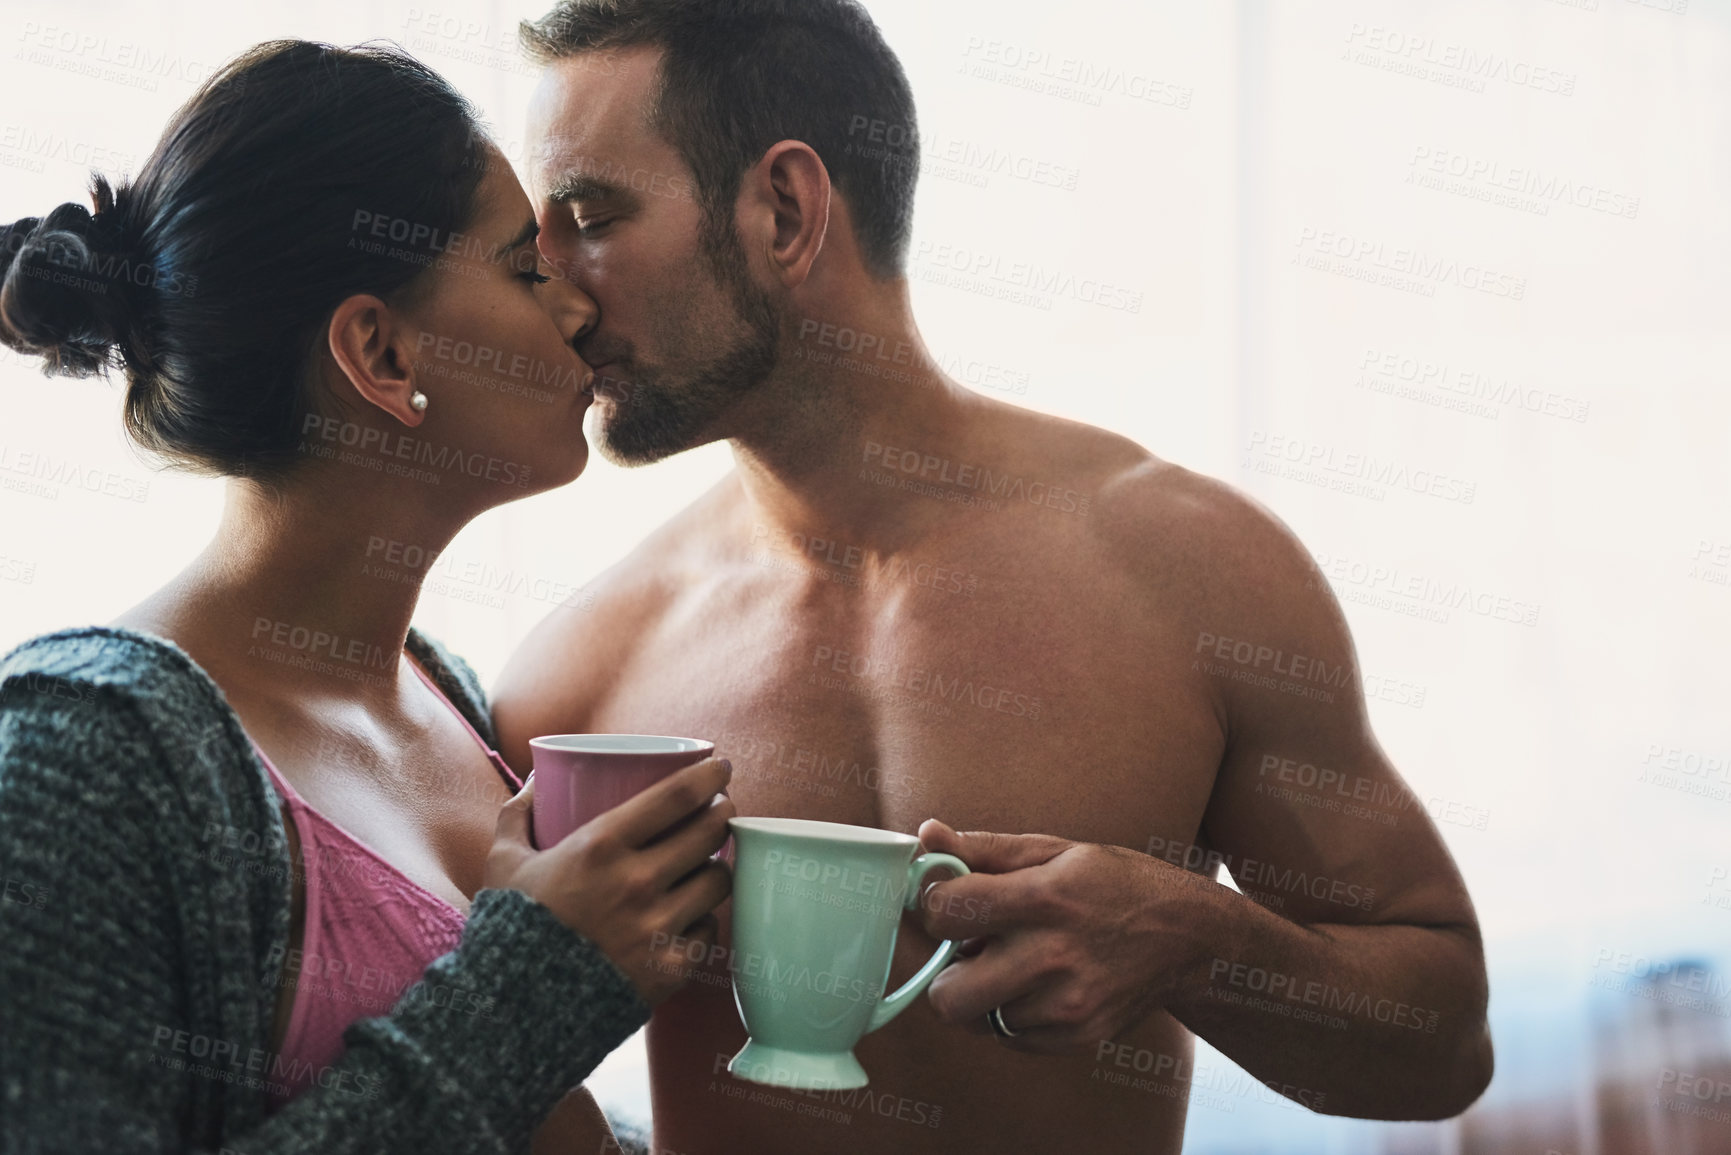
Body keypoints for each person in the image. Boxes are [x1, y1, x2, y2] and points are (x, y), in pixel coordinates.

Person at [492, 2, 1495, 1151]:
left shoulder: (1188, 570)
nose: (557, 296)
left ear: (785, 209)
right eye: (541, 243)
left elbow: (1445, 1044)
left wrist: (1204, 944)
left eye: (592, 218)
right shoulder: (578, 678)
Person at [0, 40, 734, 1155]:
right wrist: (536, 990)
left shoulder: (448, 698)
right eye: (525, 269)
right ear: (380, 356)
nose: (578, 310)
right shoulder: (78, 761)